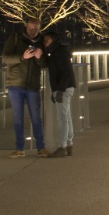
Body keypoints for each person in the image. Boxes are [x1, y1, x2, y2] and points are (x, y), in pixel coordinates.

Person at [2, 17, 48, 158]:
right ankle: (19, 148)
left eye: (35, 28)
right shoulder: (15, 38)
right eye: (30, 28)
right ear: (26, 27)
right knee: (18, 118)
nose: (33, 31)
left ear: (39, 28)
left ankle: (41, 147)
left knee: (36, 117)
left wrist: (39, 58)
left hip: (33, 85)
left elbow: (45, 64)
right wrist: (22, 57)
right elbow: (5, 58)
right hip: (15, 84)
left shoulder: (42, 42)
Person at [42, 29, 76, 157]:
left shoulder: (59, 52)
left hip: (64, 88)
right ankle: (68, 144)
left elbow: (66, 72)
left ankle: (62, 146)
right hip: (65, 88)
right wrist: (55, 90)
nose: (45, 43)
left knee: (62, 118)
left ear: (54, 40)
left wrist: (59, 90)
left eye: (47, 40)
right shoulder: (59, 52)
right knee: (66, 116)